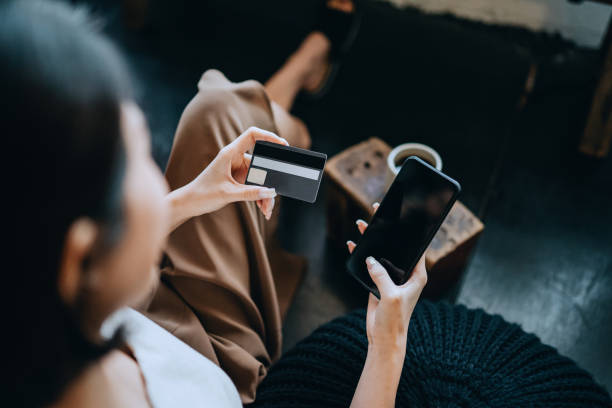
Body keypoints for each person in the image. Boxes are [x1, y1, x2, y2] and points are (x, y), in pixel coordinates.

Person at [5, 0, 427, 406]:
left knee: (216, 113)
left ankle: (299, 81)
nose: (158, 169)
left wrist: (194, 197)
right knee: (240, 125)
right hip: (214, 356)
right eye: (135, 159)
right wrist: (389, 342)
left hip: (142, 313)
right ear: (80, 260)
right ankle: (301, 84)